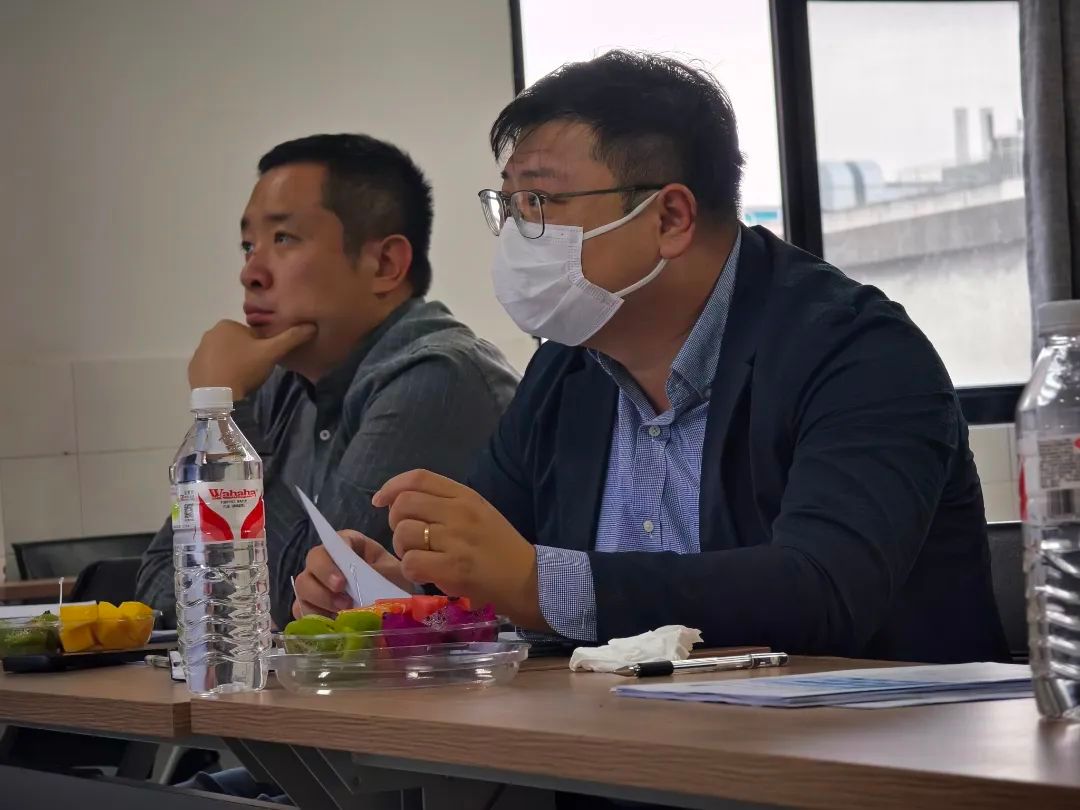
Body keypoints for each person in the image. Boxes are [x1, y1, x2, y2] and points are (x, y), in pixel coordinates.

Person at [294, 51, 1008, 664]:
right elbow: (499, 564)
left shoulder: (858, 354)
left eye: (540, 201)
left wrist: (539, 584)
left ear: (669, 218)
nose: (516, 235)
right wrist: (408, 596)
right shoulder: (566, 369)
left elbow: (823, 590)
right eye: (508, 207)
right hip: (624, 749)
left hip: (866, 750)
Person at [136, 133, 519, 629]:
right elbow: (158, 589)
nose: (251, 273)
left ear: (384, 264)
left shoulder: (436, 378)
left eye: (283, 239)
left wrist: (226, 413)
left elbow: (301, 607)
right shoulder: (282, 380)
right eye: (248, 245)